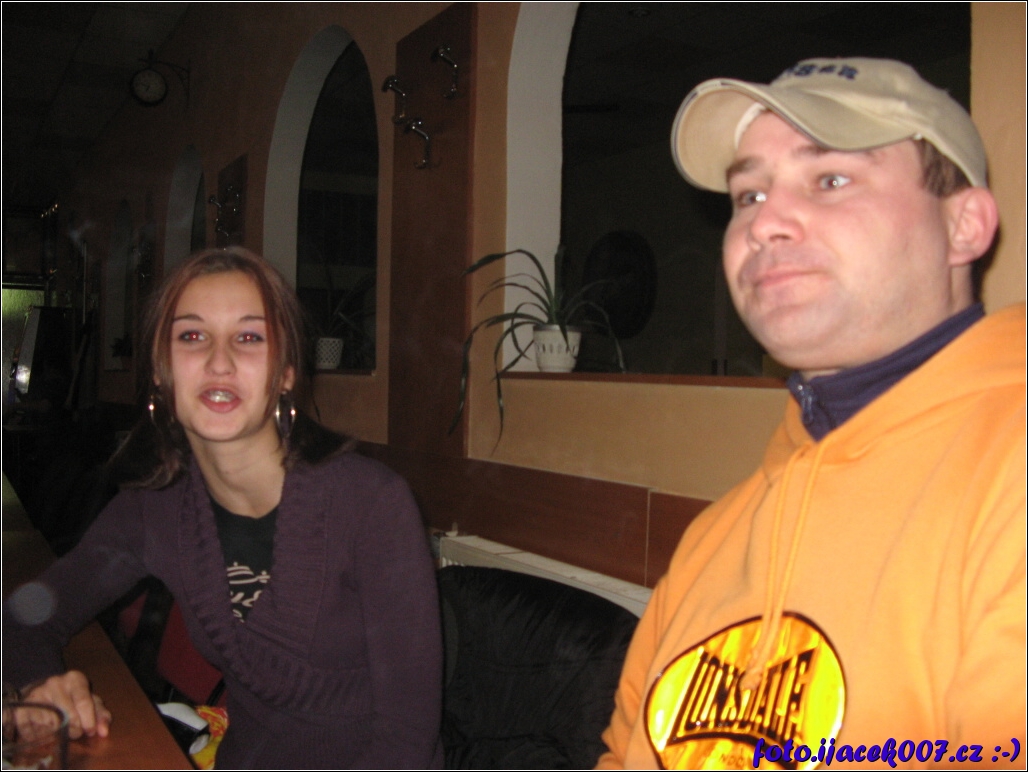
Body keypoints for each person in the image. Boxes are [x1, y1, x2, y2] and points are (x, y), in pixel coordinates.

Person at [598, 58, 1025, 769]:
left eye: (830, 179)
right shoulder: (714, 536)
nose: (763, 223)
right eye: (749, 194)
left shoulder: (1010, 478)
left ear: (963, 226)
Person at [3, 248, 444, 769]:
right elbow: (24, 619)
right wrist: (42, 686)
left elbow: (406, 741)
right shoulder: (155, 511)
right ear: (162, 371)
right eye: (192, 336)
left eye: (249, 337)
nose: (219, 360)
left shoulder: (371, 505)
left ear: (286, 372)